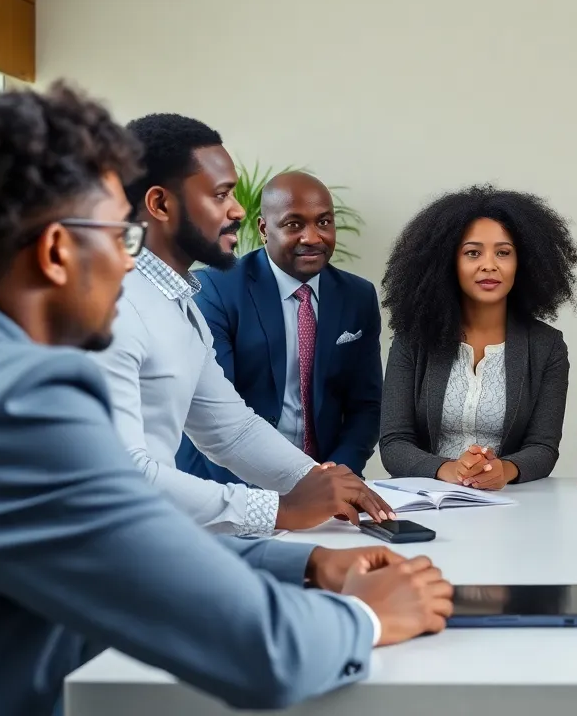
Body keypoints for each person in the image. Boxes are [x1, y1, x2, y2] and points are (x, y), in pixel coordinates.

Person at [0, 83, 453, 716]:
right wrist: (365, 616)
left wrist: (310, 565)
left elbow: (123, 540)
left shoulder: (13, 365)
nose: (127, 265)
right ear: (58, 251)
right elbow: (262, 652)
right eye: (120, 238)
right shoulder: (19, 401)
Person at [89, 113, 393, 536]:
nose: (237, 209)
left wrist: (320, 482)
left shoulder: (180, 303)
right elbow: (120, 474)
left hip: (144, 537)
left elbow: (230, 430)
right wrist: (275, 511)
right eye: (220, 195)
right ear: (159, 204)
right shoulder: (108, 307)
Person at [176, 171, 382, 483]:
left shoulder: (357, 296)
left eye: (324, 222)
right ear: (263, 228)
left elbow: (365, 406)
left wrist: (339, 472)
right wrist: (293, 482)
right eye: (294, 224)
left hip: (324, 480)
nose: (312, 237)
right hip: (227, 480)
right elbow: (214, 413)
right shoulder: (217, 289)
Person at [378, 185, 577, 488]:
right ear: (449, 262)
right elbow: (394, 443)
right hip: (428, 498)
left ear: (521, 263)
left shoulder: (546, 346)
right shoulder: (412, 341)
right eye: (473, 253)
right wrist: (450, 469)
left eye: (503, 252)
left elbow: (543, 448)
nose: (489, 265)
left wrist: (503, 470)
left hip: (512, 504)